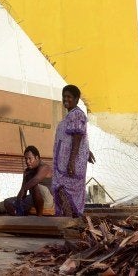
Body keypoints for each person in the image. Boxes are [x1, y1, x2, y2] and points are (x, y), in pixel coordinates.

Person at [52, 84, 95, 217]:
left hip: (69, 164)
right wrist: (87, 150)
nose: (66, 99)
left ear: (76, 99)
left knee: (64, 190)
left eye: (69, 96)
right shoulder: (71, 115)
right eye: (64, 96)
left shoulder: (76, 114)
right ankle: (69, 220)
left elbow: (77, 137)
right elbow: (80, 137)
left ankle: (70, 220)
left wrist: (71, 161)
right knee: (63, 190)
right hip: (64, 162)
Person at [4, 146, 54, 216]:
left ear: (37, 158)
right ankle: (19, 216)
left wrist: (24, 189)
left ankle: (39, 216)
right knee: (7, 202)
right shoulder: (27, 171)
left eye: (30, 159)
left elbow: (35, 180)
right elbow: (23, 190)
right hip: (34, 199)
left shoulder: (44, 167)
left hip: (48, 202)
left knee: (34, 185)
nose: (27, 161)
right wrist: (18, 201)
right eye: (26, 159)